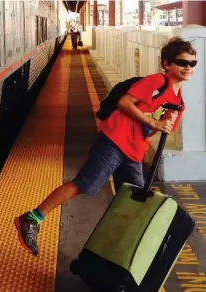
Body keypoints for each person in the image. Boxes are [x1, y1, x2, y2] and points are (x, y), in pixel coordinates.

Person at [14, 36, 197, 256]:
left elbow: (157, 130)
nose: (188, 68)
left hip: (135, 152)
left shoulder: (179, 103)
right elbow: (124, 103)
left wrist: (162, 123)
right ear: (167, 64)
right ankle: (32, 218)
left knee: (133, 200)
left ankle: (114, 251)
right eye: (183, 63)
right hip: (114, 140)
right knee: (84, 183)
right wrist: (153, 121)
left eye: (192, 64)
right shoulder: (157, 82)